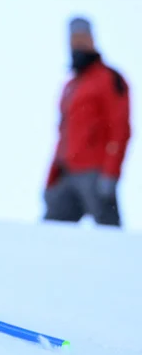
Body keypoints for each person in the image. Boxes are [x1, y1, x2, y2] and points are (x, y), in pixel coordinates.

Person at [44, 17, 131, 226]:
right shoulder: (71, 84)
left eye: (83, 37)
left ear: (92, 39)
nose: (78, 43)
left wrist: (111, 174)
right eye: (73, 38)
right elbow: (63, 133)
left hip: (95, 173)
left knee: (109, 235)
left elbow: (120, 129)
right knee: (51, 233)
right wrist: (52, 177)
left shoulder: (109, 79)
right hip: (67, 173)